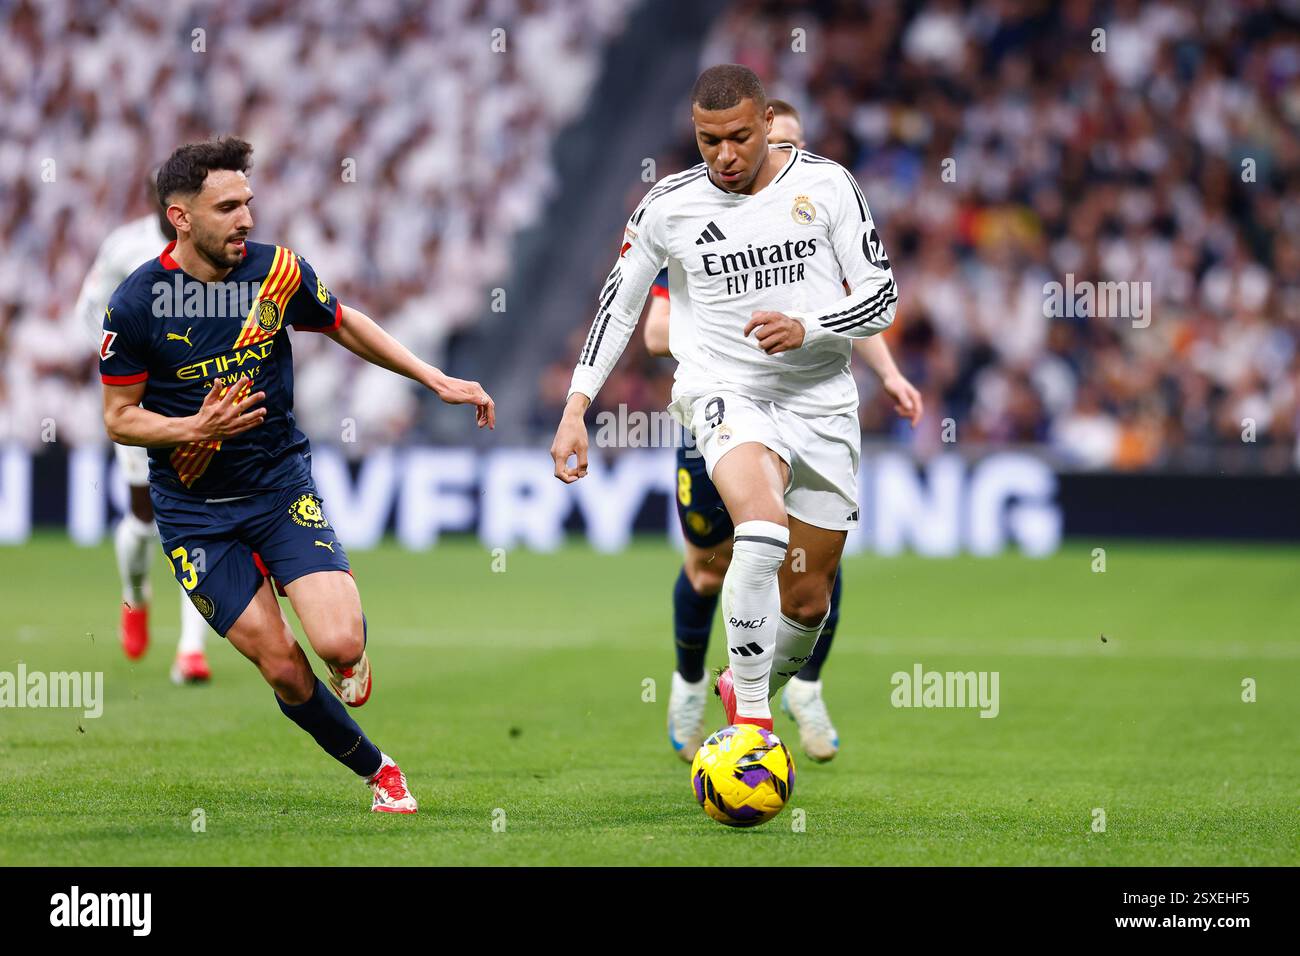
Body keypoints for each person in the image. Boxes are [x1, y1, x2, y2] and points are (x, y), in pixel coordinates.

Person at [99, 137, 494, 813]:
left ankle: (340, 638)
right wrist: (192, 430)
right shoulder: (138, 303)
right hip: (195, 512)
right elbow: (118, 417)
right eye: (227, 207)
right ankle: (380, 771)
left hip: (278, 487)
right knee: (281, 665)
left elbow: (344, 323)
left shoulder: (277, 271)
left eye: (248, 203)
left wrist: (431, 377)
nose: (246, 218)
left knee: (337, 641)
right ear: (181, 217)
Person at [552, 64, 898, 739]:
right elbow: (618, 308)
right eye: (709, 141)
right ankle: (752, 733)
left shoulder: (827, 186)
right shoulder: (668, 206)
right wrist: (575, 405)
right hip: (725, 394)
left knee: (808, 600)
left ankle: (746, 689)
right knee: (759, 531)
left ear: (768, 123)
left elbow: (881, 295)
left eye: (739, 137)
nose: (726, 155)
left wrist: (810, 327)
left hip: (821, 402)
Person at [641, 99, 922, 762]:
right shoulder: (694, 219)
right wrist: (729, 337)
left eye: (788, 144)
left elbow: (852, 309)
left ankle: (798, 687)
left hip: (806, 408)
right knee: (710, 571)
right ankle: (688, 683)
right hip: (724, 407)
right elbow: (654, 331)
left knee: (813, 561)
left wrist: (886, 372)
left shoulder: (815, 204)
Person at [75, 174, 213, 683]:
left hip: (198, 399)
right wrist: (123, 367)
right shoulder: (125, 247)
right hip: (139, 400)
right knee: (145, 513)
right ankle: (135, 597)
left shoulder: (210, 250)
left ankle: (191, 648)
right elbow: (88, 309)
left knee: (198, 512)